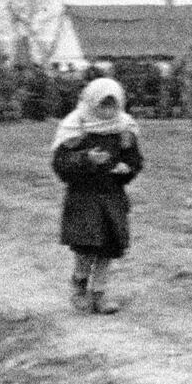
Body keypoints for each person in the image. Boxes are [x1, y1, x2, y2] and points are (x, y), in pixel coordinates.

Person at [51, 76, 144, 314]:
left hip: (112, 197)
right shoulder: (77, 127)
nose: (107, 111)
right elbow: (61, 164)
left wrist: (127, 169)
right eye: (103, 105)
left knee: (108, 249)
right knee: (86, 248)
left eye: (112, 105)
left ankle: (99, 295)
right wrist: (85, 159)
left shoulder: (124, 128)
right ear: (92, 102)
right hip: (84, 198)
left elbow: (134, 159)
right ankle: (79, 287)